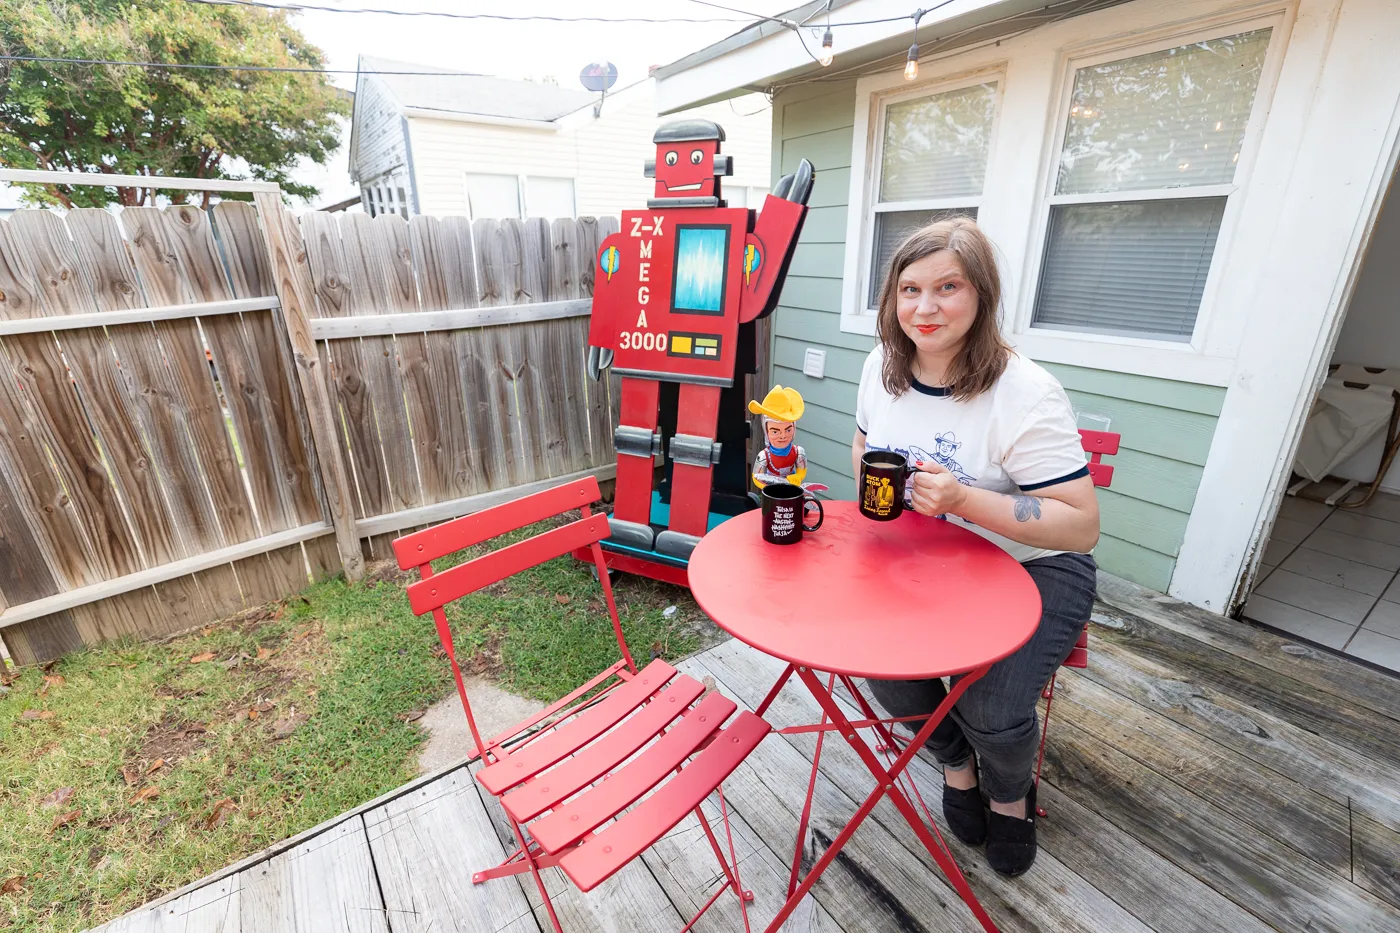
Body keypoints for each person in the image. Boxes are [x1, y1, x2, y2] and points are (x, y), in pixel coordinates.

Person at [851, 217, 1100, 877]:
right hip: (926, 561)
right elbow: (863, 445)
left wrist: (963, 499)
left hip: (1037, 566)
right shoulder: (882, 365)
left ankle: (1012, 793)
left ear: (981, 295)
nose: (924, 308)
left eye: (947, 287)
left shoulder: (1025, 392)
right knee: (881, 664)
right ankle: (956, 764)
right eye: (909, 289)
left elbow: (1080, 525)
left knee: (990, 702)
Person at [749, 385, 809, 488]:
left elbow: (802, 470)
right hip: (771, 493)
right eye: (775, 432)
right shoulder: (763, 456)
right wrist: (769, 487)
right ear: (766, 431)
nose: (783, 436)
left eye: (788, 430)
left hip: (791, 489)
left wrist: (798, 477)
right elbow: (756, 477)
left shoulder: (799, 452)